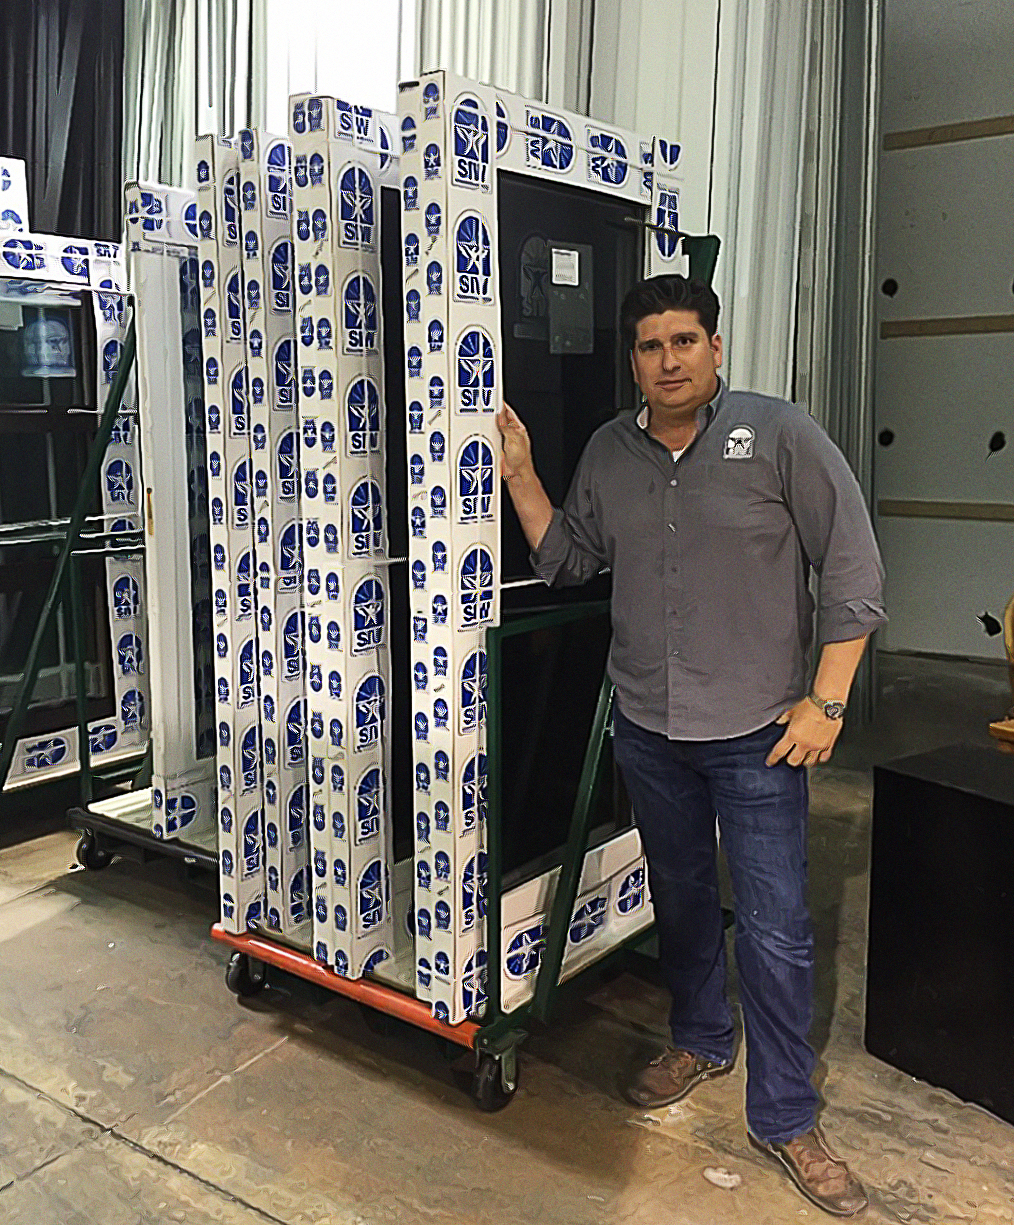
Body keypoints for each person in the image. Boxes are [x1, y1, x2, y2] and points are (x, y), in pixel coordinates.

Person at [497, 274, 886, 1218]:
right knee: (680, 900)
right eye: (649, 345)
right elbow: (568, 558)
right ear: (633, 359)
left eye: (684, 341)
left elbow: (853, 566)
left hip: (760, 737)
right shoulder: (610, 452)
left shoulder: (779, 435)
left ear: (716, 348)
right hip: (650, 730)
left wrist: (825, 704)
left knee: (780, 929)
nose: (668, 361)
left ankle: (788, 1114)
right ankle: (703, 1038)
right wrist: (519, 473)